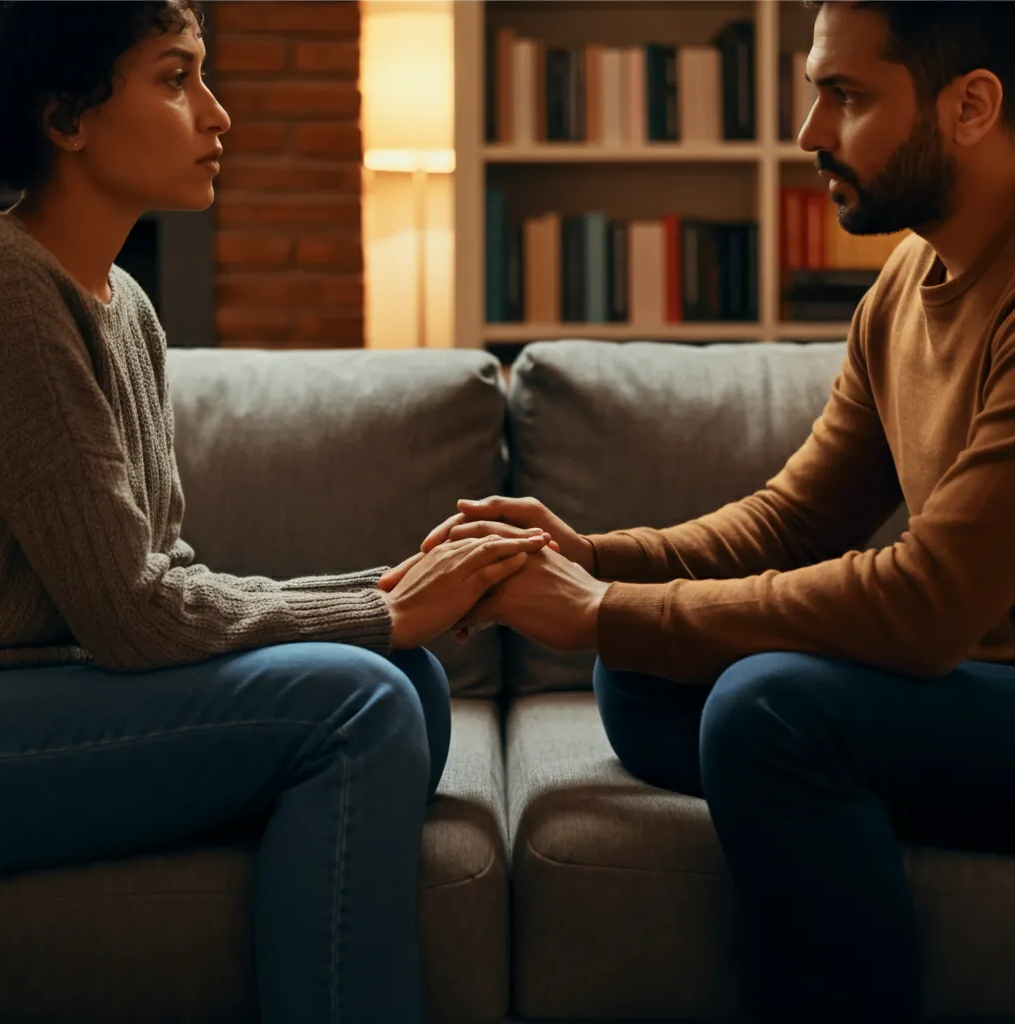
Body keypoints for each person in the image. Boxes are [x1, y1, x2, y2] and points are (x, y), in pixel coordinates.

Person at [388, 2, 1015, 1021]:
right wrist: (591, 557)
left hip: (979, 674)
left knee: (762, 705)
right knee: (641, 679)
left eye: (844, 97)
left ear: (972, 105)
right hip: (966, 687)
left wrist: (596, 608)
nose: (809, 133)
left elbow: (929, 599)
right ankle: (827, 791)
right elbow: (790, 523)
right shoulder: (903, 285)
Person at [0, 2, 553, 1022]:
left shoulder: (123, 302)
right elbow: (133, 616)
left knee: (412, 684)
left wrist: (384, 595)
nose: (219, 115)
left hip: (56, 691)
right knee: (365, 701)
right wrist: (382, 611)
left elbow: (166, 570)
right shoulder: (10, 291)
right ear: (66, 116)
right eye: (174, 78)